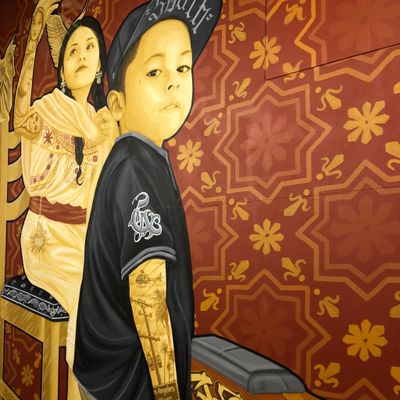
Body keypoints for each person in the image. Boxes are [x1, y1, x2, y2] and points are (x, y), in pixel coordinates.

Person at [73, 1, 222, 399]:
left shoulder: (143, 159)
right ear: (117, 104)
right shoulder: (134, 168)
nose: (174, 82)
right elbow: (147, 293)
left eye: (183, 68)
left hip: (107, 373)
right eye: (155, 71)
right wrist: (169, 393)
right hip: (124, 381)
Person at [13, 0, 117, 383]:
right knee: (90, 300)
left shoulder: (102, 123)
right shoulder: (47, 110)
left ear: (100, 65)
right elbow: (19, 117)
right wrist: (35, 33)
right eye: (72, 50)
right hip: (46, 238)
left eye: (89, 47)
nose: (81, 55)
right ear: (61, 68)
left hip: (84, 236)